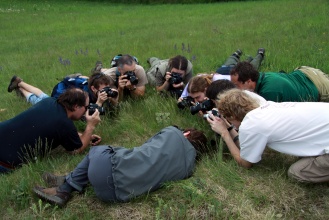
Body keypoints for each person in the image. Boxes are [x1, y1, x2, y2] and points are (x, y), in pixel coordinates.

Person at [32, 126, 208, 207]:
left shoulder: (173, 132)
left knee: (98, 151)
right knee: (116, 153)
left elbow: (148, 144)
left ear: (186, 134)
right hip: (113, 196)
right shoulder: (189, 170)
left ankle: (64, 189)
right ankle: (67, 179)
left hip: (108, 170)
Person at [207, 89, 329, 183]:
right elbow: (247, 146)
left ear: (233, 116)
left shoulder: (252, 124)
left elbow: (245, 163)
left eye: (229, 119)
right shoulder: (265, 107)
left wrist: (224, 134)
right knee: (304, 158)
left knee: (297, 172)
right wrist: (229, 128)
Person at [0, 88, 101, 173]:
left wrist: (82, 136)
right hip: (4, 161)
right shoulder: (63, 123)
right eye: (86, 107)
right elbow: (76, 150)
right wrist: (90, 126)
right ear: (76, 106)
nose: (86, 111)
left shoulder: (49, 101)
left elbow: (55, 129)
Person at [179, 48, 265, 100]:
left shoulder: (226, 84)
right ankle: (236, 55)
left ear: (205, 89)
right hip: (220, 72)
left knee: (250, 67)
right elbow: (183, 97)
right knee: (229, 64)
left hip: (229, 74)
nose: (196, 101)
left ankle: (260, 54)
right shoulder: (194, 83)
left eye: (197, 97)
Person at [230, 62, 329, 102]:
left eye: (236, 85)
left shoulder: (268, 93)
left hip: (319, 88)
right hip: (307, 72)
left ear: (248, 81)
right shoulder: (263, 76)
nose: (235, 89)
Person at [7, 73, 118, 108]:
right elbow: (87, 116)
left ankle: (20, 84)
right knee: (43, 101)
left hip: (68, 86)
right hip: (62, 92)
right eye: (105, 89)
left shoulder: (94, 86)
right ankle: (21, 89)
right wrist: (99, 102)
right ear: (93, 88)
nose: (107, 91)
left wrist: (113, 98)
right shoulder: (85, 96)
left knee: (41, 94)